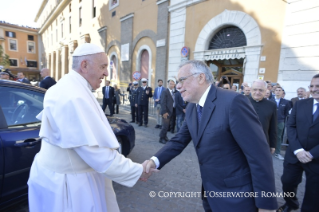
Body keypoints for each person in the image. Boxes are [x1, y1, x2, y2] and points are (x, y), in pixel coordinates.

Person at [27, 43, 157, 212]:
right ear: (84, 65)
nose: (106, 73)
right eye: (103, 66)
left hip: (60, 177)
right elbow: (97, 153)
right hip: (69, 186)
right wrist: (137, 170)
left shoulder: (69, 86)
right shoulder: (73, 96)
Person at [145, 60, 277, 212]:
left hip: (237, 198)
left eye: (182, 80)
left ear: (200, 78)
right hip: (209, 194)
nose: (178, 86)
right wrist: (154, 161)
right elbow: (178, 141)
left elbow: (259, 155)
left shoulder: (233, 101)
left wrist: (266, 205)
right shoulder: (192, 107)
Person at [278, 74, 319, 212]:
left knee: (314, 191)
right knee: (287, 182)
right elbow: (291, 126)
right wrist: (298, 150)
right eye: (312, 86)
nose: (314, 89)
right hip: (295, 154)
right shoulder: (300, 104)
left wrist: (312, 154)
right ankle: (291, 203)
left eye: (317, 86)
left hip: (316, 158)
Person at [249, 79, 277, 154]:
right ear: (251, 90)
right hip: (243, 143)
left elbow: (273, 127)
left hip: (263, 143)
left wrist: (272, 145)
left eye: (261, 90)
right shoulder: (242, 102)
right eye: (255, 89)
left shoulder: (271, 105)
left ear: (265, 91)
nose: (257, 92)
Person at [271, 86, 291, 160]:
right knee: (267, 136)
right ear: (274, 91)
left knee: (278, 137)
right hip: (270, 121)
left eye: (280, 90)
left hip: (280, 122)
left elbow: (286, 113)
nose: (278, 91)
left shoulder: (286, 102)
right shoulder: (270, 101)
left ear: (282, 92)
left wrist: (282, 118)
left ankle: (277, 153)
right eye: (277, 90)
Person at [158, 79, 176, 144]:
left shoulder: (173, 92)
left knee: (167, 126)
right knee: (165, 126)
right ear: (168, 84)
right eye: (170, 84)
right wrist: (164, 112)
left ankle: (165, 137)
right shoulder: (165, 91)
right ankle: (161, 138)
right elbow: (163, 102)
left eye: (173, 84)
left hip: (171, 111)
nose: (172, 85)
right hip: (166, 112)